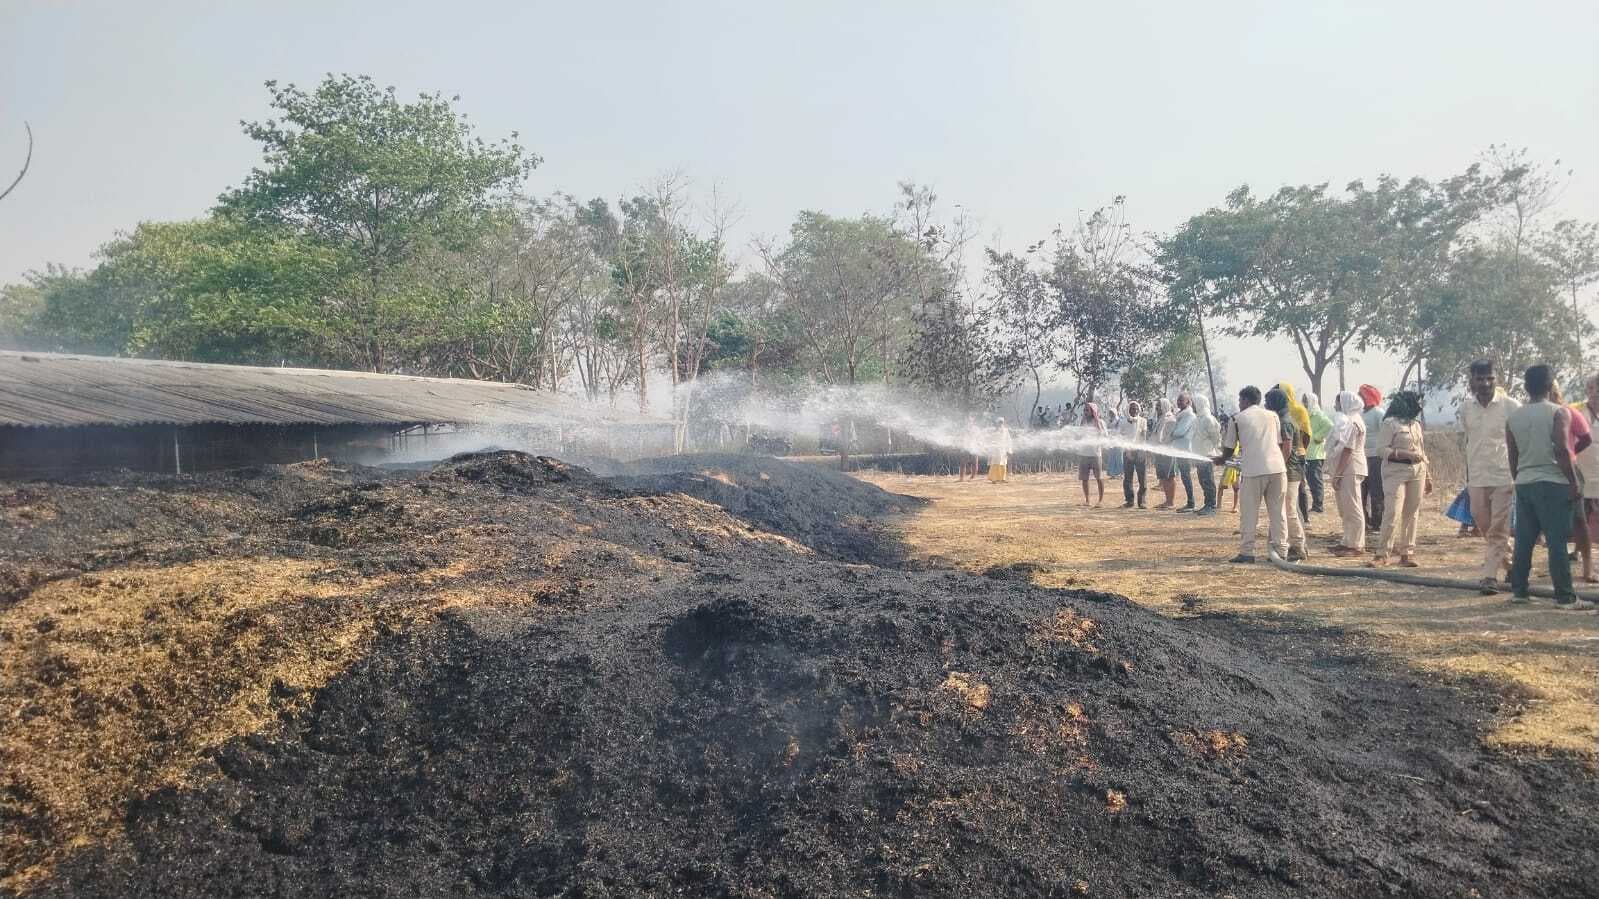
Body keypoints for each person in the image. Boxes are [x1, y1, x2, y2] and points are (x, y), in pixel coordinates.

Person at [1506, 365, 1591, 608]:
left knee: (1524, 539)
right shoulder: (1559, 412)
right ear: (1550, 385)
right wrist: (1573, 482)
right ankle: (1565, 596)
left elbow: (1513, 455)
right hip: (1553, 482)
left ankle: (1520, 591)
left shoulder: (1514, 417)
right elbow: (1563, 449)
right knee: (1556, 542)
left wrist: (1519, 478)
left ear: (1526, 387)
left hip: (1524, 481)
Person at [1459, 359, 1520, 590]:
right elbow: (1467, 440)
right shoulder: (1466, 408)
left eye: (1490, 378)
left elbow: (1520, 440)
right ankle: (1513, 564)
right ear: (1472, 380)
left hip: (1504, 475)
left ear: (1496, 378)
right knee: (1484, 525)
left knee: (1498, 528)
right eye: (1480, 378)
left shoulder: (1510, 406)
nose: (1485, 383)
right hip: (1476, 476)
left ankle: (1489, 576)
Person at [1212, 386, 1287, 563]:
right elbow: (1277, 442)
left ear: (1245, 400)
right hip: (1277, 468)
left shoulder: (1237, 419)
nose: (1239, 404)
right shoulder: (1273, 416)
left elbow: (1229, 449)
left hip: (1253, 471)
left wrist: (1221, 459)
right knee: (1278, 512)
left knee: (1249, 513)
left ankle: (1247, 552)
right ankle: (1281, 550)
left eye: (1240, 400)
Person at [1370, 391, 1431, 568]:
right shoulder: (1390, 424)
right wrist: (1402, 454)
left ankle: (1407, 553)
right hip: (1395, 471)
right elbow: (1381, 450)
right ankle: (1382, 553)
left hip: (1417, 471)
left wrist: (1428, 475)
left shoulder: (1416, 425)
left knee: (1412, 513)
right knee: (1392, 512)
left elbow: (1422, 450)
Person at [1266, 388, 1310, 560]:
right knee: (1286, 509)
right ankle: (1292, 544)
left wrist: (1277, 466)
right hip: (1291, 470)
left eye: (1268, 402)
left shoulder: (1284, 422)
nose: (1265, 405)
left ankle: (1298, 546)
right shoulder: (1284, 418)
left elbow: (1287, 448)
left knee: (1289, 510)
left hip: (1289, 472)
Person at [1326, 391, 1368, 556]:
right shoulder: (1351, 420)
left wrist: (1338, 474)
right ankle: (1347, 541)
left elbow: (1348, 450)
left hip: (1351, 468)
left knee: (1353, 506)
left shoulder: (1353, 422)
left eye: (1337, 402)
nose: (1335, 406)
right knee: (1345, 507)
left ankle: (1356, 545)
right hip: (1348, 468)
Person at [1277, 382, 1314, 527]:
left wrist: (1300, 449)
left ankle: (1305, 518)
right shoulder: (1279, 411)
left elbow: (1306, 433)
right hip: (1285, 451)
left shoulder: (1299, 410)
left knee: (1300, 486)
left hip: (1297, 453)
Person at [1575, 374, 1599, 583]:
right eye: (1590, 388)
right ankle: (1587, 568)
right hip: (1582, 476)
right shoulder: (1577, 411)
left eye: (1596, 388)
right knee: (1583, 524)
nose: (1593, 393)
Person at [1359, 385, 1386, 533]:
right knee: (1362, 491)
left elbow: (1385, 433)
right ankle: (1365, 520)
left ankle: (1378, 522)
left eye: (1361, 395)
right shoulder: (1361, 414)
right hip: (1362, 457)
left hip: (1376, 457)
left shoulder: (1378, 413)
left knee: (1376, 491)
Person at [1190, 395, 1222, 516]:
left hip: (1207, 454)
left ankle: (1211, 506)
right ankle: (1207, 504)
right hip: (1199, 454)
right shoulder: (1198, 418)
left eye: (1194, 404)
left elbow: (1216, 437)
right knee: (1203, 480)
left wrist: (1213, 451)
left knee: (1208, 481)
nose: (1192, 406)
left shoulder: (1208, 419)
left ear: (1200, 404)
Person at [1302, 393, 1333, 518]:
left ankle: (1318, 505)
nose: (1304, 403)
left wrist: (1317, 437)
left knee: (1316, 480)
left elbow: (1330, 426)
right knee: (1310, 479)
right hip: (1308, 452)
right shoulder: (1307, 415)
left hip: (1316, 452)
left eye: (1306, 401)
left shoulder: (1318, 414)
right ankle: (1316, 503)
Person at [1170, 393, 1198, 512]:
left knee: (1186, 476)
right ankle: (1190, 502)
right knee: (1184, 476)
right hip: (1180, 449)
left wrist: (1171, 433)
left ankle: (1191, 503)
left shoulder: (1189, 415)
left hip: (1185, 450)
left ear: (1188, 402)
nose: (1179, 402)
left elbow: (1180, 432)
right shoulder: (1181, 415)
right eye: (1178, 400)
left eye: (1181, 400)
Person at [1119, 401, 1149, 508]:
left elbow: (1143, 437)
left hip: (1140, 452)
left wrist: (1142, 451)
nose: (1134, 411)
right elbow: (1121, 438)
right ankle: (1129, 501)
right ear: (1128, 410)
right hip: (1127, 452)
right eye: (1132, 409)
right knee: (1128, 477)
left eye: (1136, 409)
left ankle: (1142, 502)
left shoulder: (1143, 421)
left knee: (1142, 477)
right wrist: (1128, 451)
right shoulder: (1123, 422)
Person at [1079, 403, 1107, 506]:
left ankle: (1100, 501)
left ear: (1093, 411)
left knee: (1099, 478)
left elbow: (1105, 436)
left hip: (1096, 454)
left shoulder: (1100, 422)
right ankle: (1087, 500)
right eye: (1084, 410)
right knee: (1084, 478)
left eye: (1087, 410)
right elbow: (1079, 435)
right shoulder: (1083, 422)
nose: (1085, 412)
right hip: (1084, 454)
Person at [1152, 398, 1177, 509]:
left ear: (1165, 406)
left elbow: (1168, 438)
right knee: (1164, 477)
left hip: (1167, 452)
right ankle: (1167, 501)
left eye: (1159, 406)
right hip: (1160, 452)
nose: (1157, 408)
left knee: (1169, 477)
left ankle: (1170, 502)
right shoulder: (1161, 419)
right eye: (1156, 406)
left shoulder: (1170, 419)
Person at [987, 417, 1012, 483]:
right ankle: (994, 479)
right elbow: (990, 440)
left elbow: (1008, 440)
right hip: (995, 450)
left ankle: (1003, 479)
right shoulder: (994, 431)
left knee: (1003, 464)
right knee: (995, 464)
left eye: (1002, 422)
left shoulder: (1006, 430)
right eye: (999, 422)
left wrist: (1009, 450)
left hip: (1003, 450)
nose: (1000, 424)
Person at [1104, 407, 1124, 479]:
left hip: (1118, 442)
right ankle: (1112, 474)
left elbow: (1119, 431)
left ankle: (1121, 474)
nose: (1111, 414)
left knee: (1119, 458)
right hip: (1111, 442)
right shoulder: (1108, 421)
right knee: (1111, 458)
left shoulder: (1119, 421)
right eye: (1110, 413)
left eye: (1112, 413)